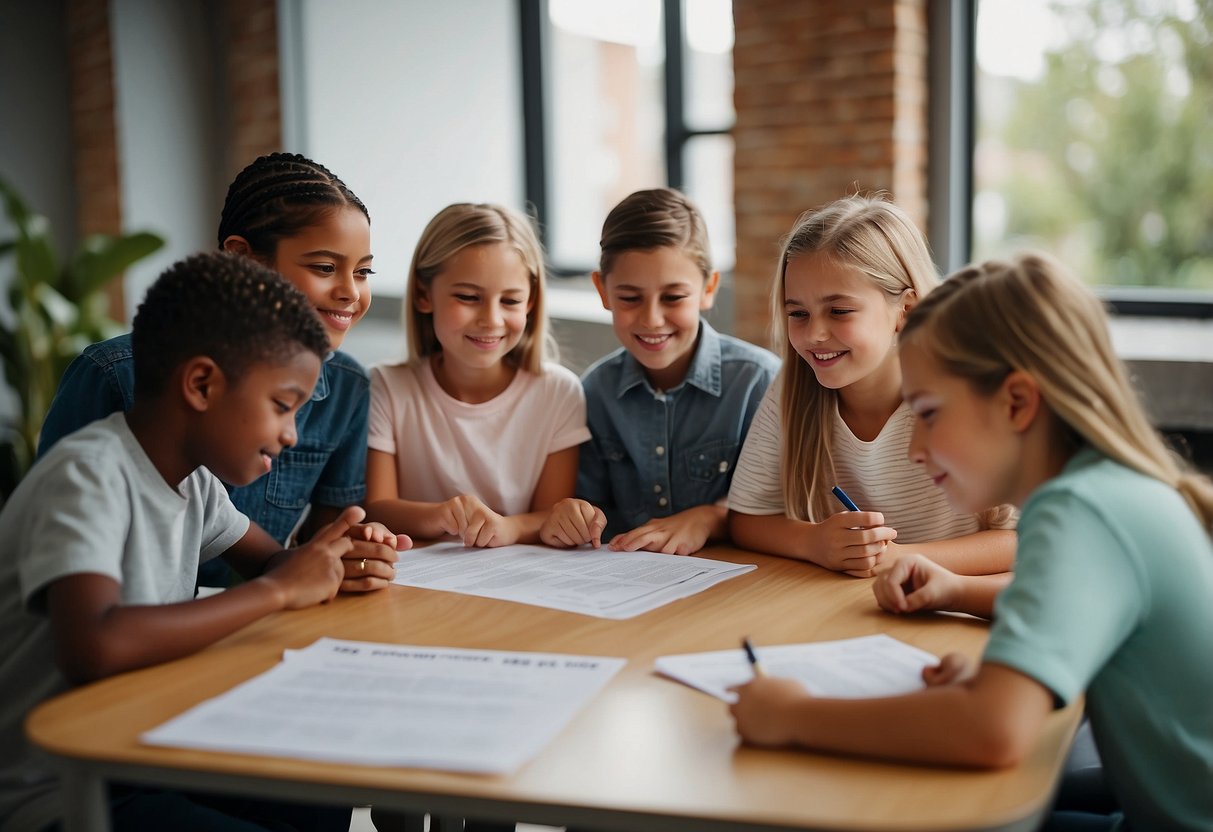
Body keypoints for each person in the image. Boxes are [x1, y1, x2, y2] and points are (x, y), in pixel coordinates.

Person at [730, 252, 1213, 832]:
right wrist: (958, 591)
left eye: (929, 413)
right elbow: (1081, 616)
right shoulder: (1109, 489)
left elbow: (992, 732)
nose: (915, 445)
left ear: (1016, 402)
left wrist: (793, 715)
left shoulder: (1080, 511)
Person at [0, 252, 408, 832]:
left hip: (144, 753)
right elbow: (92, 645)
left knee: (319, 787)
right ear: (201, 384)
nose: (291, 434)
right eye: (282, 405)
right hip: (61, 791)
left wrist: (335, 556)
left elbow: (273, 562)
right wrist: (279, 592)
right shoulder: (87, 476)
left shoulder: (193, 484)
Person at [38, 152, 376, 586]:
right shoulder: (114, 378)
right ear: (244, 259)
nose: (350, 291)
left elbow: (314, 553)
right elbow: (61, 567)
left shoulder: (346, 386)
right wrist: (277, 590)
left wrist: (352, 556)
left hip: (233, 631)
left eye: (365, 272)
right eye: (325, 268)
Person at [727, 194, 1015, 577]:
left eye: (839, 311)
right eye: (798, 313)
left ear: (905, 311)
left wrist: (902, 558)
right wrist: (813, 542)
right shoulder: (792, 387)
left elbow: (1025, 539)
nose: (814, 334)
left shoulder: (972, 391)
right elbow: (746, 519)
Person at [542, 188, 779, 554]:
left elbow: (782, 502)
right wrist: (573, 515)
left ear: (708, 288)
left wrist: (709, 517)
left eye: (673, 297)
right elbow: (586, 506)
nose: (652, 319)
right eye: (630, 298)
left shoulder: (759, 382)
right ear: (602, 291)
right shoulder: (593, 393)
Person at [364, 202, 590, 547]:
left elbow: (550, 513)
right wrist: (442, 515)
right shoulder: (387, 387)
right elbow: (377, 508)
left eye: (511, 301)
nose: (491, 319)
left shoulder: (559, 392)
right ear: (424, 294)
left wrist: (508, 528)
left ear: (531, 301)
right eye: (469, 297)